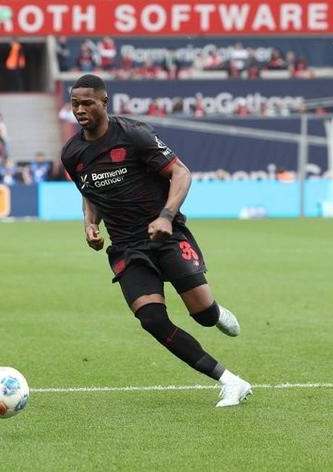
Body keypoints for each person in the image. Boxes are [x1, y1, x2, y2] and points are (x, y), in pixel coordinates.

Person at [61, 74, 252, 408]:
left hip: (166, 235)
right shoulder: (72, 153)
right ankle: (230, 381)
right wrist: (90, 223)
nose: (80, 110)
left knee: (203, 315)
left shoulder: (134, 135)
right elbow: (89, 192)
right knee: (151, 319)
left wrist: (166, 215)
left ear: (104, 102)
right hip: (127, 247)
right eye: (75, 103)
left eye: (87, 103)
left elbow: (181, 172)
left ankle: (214, 312)